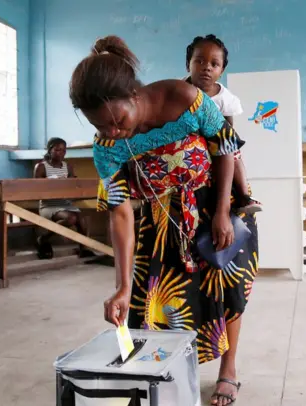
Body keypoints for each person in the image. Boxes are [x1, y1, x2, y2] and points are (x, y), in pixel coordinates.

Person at [69, 36, 259, 406]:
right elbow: (120, 211)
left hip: (212, 207)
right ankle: (170, 376)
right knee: (155, 303)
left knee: (227, 292)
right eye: (100, 127)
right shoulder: (106, 148)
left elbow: (225, 146)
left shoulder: (183, 98)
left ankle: (228, 368)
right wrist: (122, 285)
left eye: (117, 121)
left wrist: (221, 213)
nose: (113, 133)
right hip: (159, 225)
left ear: (133, 94)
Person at [185, 34, 262, 215]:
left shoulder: (225, 99)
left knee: (234, 152)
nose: (207, 68)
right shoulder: (178, 90)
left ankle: (244, 196)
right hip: (187, 142)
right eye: (200, 61)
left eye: (214, 64)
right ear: (188, 64)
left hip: (216, 141)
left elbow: (228, 130)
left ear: (222, 70)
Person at [33, 137, 95, 259]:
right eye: (57, 150)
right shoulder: (41, 166)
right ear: (49, 150)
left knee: (82, 220)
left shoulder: (68, 167)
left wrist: (73, 182)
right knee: (71, 218)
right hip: (48, 205)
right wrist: (54, 182)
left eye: (63, 150)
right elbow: (36, 188)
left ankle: (84, 248)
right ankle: (43, 239)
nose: (61, 153)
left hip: (65, 203)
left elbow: (73, 185)